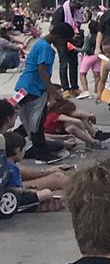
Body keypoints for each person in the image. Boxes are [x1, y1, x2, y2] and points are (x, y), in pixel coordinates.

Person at [15, 20, 71, 163]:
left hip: (25, 86)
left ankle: (19, 144)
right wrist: (53, 91)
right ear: (58, 37)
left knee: (29, 120)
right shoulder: (46, 48)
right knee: (37, 122)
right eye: (64, 41)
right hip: (34, 88)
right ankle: (39, 151)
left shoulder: (40, 43)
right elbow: (42, 71)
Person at [3, 132, 60, 211]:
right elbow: (15, 189)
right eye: (23, 150)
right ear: (18, 150)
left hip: (9, 195)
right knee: (47, 193)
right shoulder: (12, 167)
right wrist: (28, 191)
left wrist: (27, 187)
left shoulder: (4, 164)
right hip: (13, 198)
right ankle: (28, 206)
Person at [43, 98, 108, 150]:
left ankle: (92, 137)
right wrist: (85, 133)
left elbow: (78, 115)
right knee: (73, 127)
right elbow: (77, 121)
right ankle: (93, 142)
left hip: (56, 134)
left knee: (74, 122)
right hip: (51, 137)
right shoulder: (56, 116)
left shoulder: (54, 114)